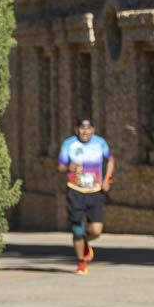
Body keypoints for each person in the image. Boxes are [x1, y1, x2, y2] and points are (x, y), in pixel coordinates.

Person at [59, 117, 115, 274]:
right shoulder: (68, 144)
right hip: (75, 191)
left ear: (93, 130)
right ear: (77, 130)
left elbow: (110, 160)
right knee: (77, 229)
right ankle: (81, 262)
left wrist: (107, 179)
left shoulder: (100, 143)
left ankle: (84, 242)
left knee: (96, 230)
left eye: (88, 128)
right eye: (82, 128)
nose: (85, 132)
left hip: (95, 191)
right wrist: (69, 167)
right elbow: (61, 166)